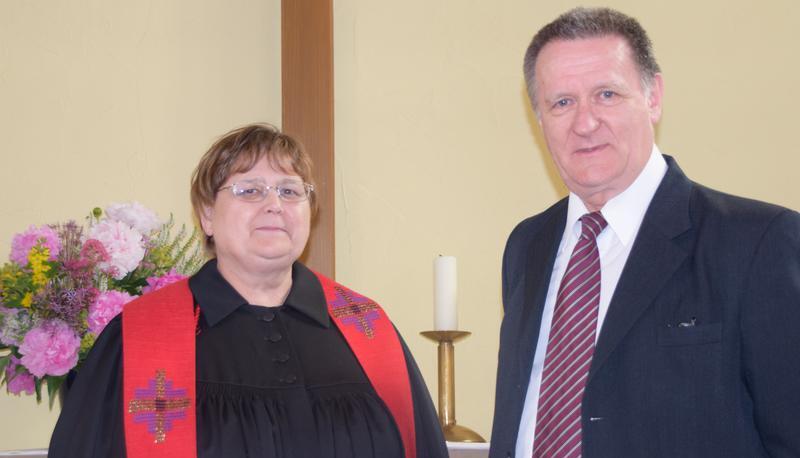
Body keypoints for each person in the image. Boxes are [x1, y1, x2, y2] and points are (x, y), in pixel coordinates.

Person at [490, 7, 800, 458]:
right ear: (539, 118)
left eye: (607, 94)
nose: (585, 122)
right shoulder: (527, 246)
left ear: (653, 97)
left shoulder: (759, 243)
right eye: (562, 102)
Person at [49, 123, 448, 458]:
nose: (274, 204)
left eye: (290, 191)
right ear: (206, 214)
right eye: (250, 190)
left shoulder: (369, 333)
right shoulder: (138, 338)